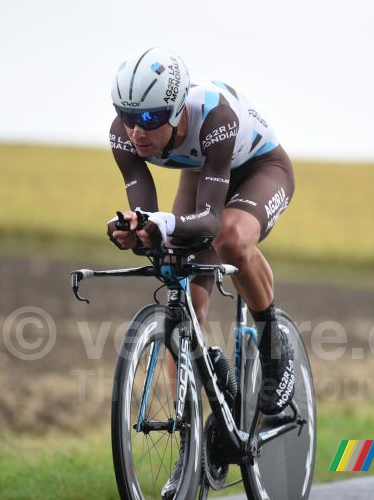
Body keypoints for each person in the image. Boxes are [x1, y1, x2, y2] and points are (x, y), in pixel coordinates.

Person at [106, 47, 295, 498]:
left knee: (229, 238)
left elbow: (209, 220)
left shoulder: (214, 116)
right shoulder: (124, 135)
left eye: (150, 120)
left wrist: (161, 224)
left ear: (176, 111)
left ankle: (273, 339)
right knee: (182, 290)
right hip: (203, 169)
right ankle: (191, 449)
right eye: (128, 117)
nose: (137, 132)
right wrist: (136, 230)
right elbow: (147, 212)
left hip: (257, 168)